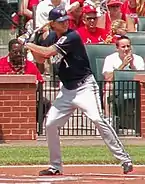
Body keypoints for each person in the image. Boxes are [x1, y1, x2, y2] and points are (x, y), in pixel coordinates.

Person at [18, 7, 133, 176]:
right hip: (66, 89)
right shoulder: (51, 37)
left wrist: (27, 43)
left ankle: (125, 159)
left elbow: (49, 52)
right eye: (61, 21)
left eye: (66, 20)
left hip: (85, 86)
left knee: (97, 119)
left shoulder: (71, 36)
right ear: (52, 24)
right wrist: (34, 44)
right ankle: (55, 166)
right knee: (50, 125)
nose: (65, 23)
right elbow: (41, 59)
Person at [102, 35, 145, 117]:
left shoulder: (138, 59)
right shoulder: (110, 58)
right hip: (117, 86)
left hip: (134, 86)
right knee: (108, 87)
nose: (126, 49)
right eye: (123, 47)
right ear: (117, 48)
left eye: (128, 46)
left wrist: (132, 65)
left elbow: (141, 76)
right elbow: (108, 78)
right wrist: (123, 65)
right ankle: (109, 118)